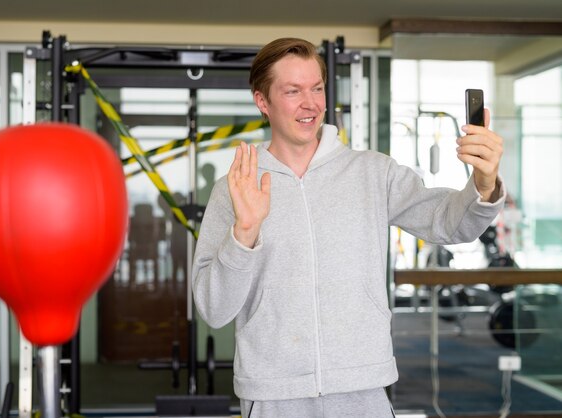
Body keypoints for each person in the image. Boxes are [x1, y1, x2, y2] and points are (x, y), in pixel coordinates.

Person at [192, 38, 505, 417]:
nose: (311, 104)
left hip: (363, 388)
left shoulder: (373, 172)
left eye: (317, 88)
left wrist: (484, 185)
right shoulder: (235, 189)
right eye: (293, 91)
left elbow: (450, 223)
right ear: (263, 102)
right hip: (273, 392)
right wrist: (244, 233)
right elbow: (213, 308)